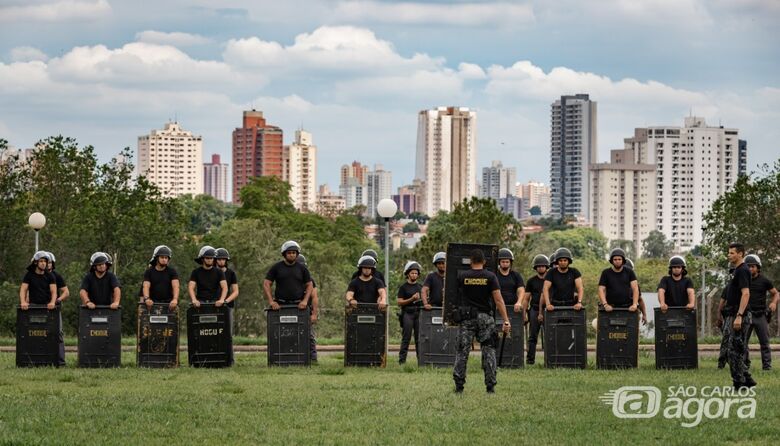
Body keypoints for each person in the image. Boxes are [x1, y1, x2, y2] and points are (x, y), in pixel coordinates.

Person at [453, 249, 511, 394]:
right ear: (484, 262)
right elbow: (498, 299)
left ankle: (459, 386)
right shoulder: (490, 277)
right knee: (489, 351)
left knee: (462, 352)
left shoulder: (462, 276)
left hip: (466, 318)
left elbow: (452, 296)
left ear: (471, 262)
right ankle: (490, 387)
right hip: (485, 318)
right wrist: (506, 320)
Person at [721, 243, 756, 389]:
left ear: (740, 254)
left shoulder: (742, 270)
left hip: (738, 315)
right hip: (731, 314)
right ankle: (747, 379)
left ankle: (739, 383)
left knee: (734, 350)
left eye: (732, 253)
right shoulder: (736, 270)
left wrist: (739, 316)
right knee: (729, 350)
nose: (729, 255)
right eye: (728, 253)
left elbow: (746, 293)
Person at [744, 254, 778, 370]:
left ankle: (767, 367)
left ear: (758, 267)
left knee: (765, 343)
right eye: (748, 266)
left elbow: (776, 293)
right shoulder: (742, 280)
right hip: (746, 315)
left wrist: (774, 303)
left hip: (760, 315)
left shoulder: (764, 281)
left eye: (752, 266)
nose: (750, 269)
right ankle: (744, 365)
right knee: (742, 343)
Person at [264, 241, 313, 311]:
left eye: (293, 253)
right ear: (284, 254)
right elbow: (266, 283)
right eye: (289, 253)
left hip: (299, 305)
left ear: (297, 254)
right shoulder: (276, 267)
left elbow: (309, 285)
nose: (291, 255)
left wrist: (305, 301)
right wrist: (271, 302)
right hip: (280, 305)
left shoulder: (302, 268)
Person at [523, 254, 548, 365]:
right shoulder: (531, 281)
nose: (541, 268)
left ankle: (550, 360)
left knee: (550, 336)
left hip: (549, 310)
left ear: (546, 267)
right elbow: (526, 298)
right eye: (538, 266)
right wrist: (524, 314)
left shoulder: (550, 280)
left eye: (543, 266)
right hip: (534, 310)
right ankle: (530, 360)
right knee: (532, 336)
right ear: (535, 268)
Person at [542, 248, 584, 313]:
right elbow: (545, 288)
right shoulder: (551, 272)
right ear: (557, 262)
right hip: (555, 304)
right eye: (560, 261)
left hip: (570, 304)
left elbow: (580, 288)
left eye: (565, 260)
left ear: (568, 261)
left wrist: (579, 302)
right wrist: (548, 304)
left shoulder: (574, 272)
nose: (563, 262)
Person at [45, 251, 68, 365]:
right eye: (45, 262)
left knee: (58, 333)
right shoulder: (35, 275)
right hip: (39, 308)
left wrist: (58, 299)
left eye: (49, 262)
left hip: (54, 309)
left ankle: (60, 361)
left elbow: (66, 292)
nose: (47, 264)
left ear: (52, 264)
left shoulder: (56, 276)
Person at [397, 261, 423, 365]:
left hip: (419, 314)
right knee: (406, 338)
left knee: (419, 339)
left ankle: (421, 362)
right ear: (407, 273)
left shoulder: (421, 287)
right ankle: (402, 361)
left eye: (416, 273)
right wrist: (411, 299)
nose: (414, 275)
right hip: (407, 314)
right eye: (412, 273)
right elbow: (399, 302)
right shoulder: (403, 287)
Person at [597, 248, 639, 313]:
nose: (617, 261)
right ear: (612, 261)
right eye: (615, 259)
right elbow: (601, 289)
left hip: (627, 307)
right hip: (610, 307)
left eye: (619, 259)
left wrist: (634, 304)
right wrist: (605, 305)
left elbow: (635, 289)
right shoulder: (605, 273)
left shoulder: (629, 272)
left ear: (623, 260)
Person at [142, 245, 179, 311]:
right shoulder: (149, 272)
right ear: (157, 258)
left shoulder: (172, 271)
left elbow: (176, 286)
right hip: (152, 303)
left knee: (174, 319)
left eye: (166, 258)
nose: (164, 259)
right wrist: (147, 299)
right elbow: (146, 286)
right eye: (162, 257)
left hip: (169, 304)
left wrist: (175, 299)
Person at [297, 255, 319, 362]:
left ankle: (313, 357)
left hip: (306, 311)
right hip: (293, 310)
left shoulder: (310, 280)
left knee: (309, 335)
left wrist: (314, 314)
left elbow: (314, 298)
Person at [496, 248, 525, 315]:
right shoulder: (494, 275)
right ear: (499, 262)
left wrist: (519, 302)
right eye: (503, 262)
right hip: (497, 307)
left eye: (507, 262)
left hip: (513, 307)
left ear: (510, 263)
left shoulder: (515, 275)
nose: (505, 264)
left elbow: (521, 290)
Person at [623, 258, 648, 325]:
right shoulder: (611, 282)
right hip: (614, 313)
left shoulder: (634, 285)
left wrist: (644, 315)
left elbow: (639, 300)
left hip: (630, 313)